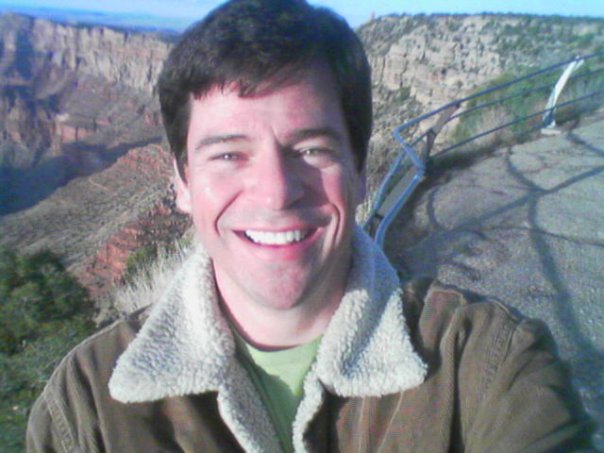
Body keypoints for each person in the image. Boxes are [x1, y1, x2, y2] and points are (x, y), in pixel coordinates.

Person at [26, 0, 594, 451]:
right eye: (229, 154)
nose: (276, 192)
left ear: (359, 171)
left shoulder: (485, 364)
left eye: (311, 149)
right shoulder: (88, 403)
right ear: (181, 182)